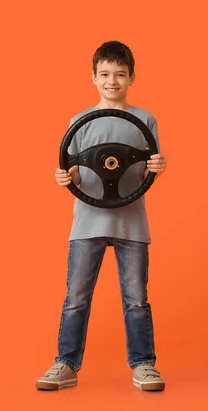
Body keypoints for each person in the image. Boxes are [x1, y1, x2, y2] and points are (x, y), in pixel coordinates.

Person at [36, 41, 167, 392]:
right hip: (87, 222)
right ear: (93, 77)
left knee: (136, 299)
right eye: (106, 74)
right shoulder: (79, 121)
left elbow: (144, 176)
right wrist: (68, 177)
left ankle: (143, 365)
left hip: (132, 223)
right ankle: (66, 363)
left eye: (120, 74)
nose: (113, 81)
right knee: (76, 297)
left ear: (132, 78)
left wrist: (157, 167)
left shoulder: (146, 120)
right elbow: (75, 169)